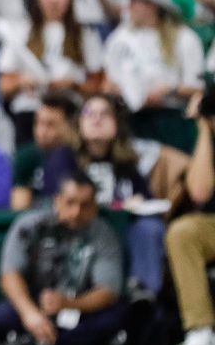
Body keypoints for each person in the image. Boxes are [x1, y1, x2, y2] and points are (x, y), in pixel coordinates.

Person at [42, 94, 170, 299]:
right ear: (79, 123)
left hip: (120, 231)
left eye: (105, 114)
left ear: (117, 124)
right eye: (89, 113)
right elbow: (60, 204)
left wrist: (136, 205)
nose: (97, 119)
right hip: (79, 228)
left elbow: (144, 202)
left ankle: (143, 293)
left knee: (149, 227)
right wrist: (120, 205)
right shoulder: (64, 158)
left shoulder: (126, 161)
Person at [0, 172, 126, 345]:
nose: (76, 212)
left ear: (95, 207)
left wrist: (69, 303)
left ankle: (35, 344)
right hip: (36, 307)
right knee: (2, 315)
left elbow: (108, 290)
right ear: (57, 201)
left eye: (85, 205)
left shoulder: (103, 235)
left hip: (79, 309)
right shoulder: (29, 225)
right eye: (70, 203)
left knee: (113, 317)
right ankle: (56, 343)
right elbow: (9, 276)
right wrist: (30, 314)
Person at [0, 0, 103, 141]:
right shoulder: (21, 32)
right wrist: (21, 82)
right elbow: (4, 85)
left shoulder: (85, 35)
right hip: (30, 111)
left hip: (70, 111)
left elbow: (97, 84)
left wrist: (74, 85)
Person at [102, 0, 203, 122]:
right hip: (127, 115)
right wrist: (118, 90)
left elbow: (197, 88)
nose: (128, 6)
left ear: (152, 5)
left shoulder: (185, 38)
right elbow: (109, 79)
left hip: (171, 115)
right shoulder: (119, 37)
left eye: (134, 1)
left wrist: (168, 90)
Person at [165, 89, 215, 345]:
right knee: (183, 232)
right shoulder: (208, 141)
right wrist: (204, 130)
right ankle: (201, 332)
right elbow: (198, 192)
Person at [10, 92, 78, 210]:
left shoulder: (80, 156)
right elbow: (19, 208)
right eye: (38, 123)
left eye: (50, 124)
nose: (41, 131)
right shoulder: (26, 156)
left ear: (70, 126)